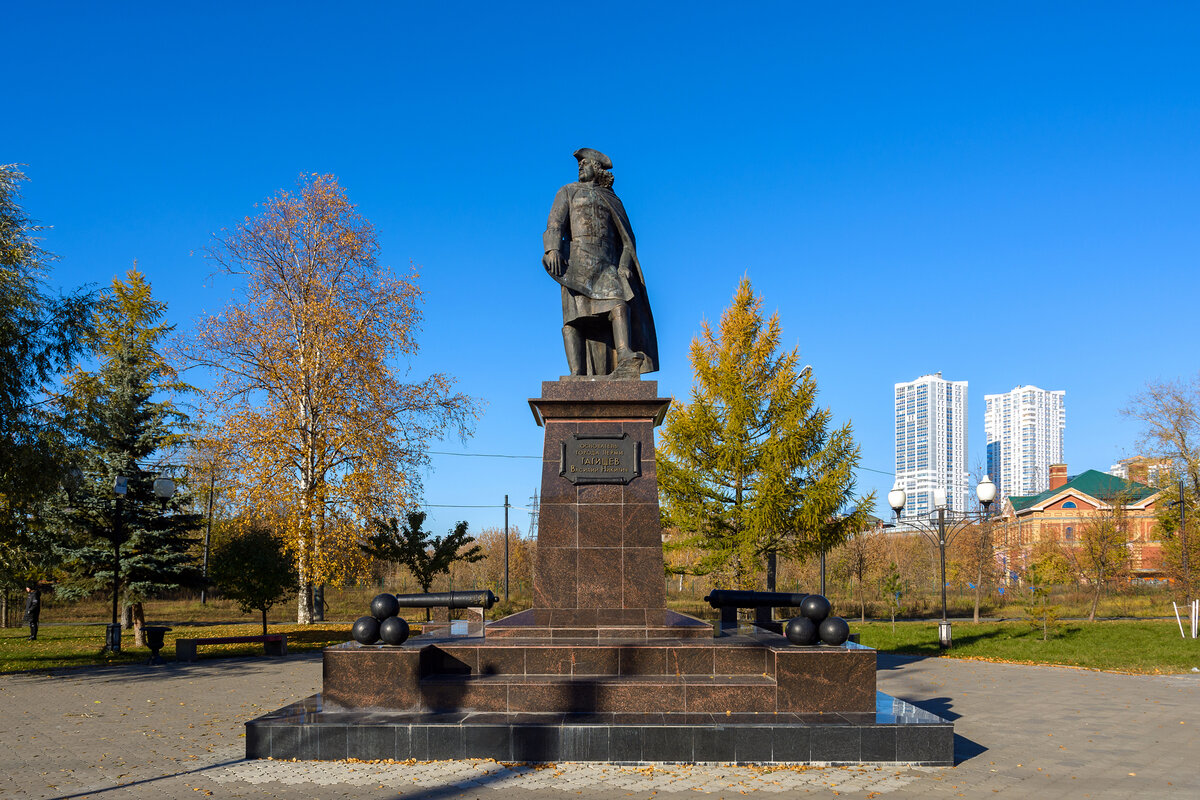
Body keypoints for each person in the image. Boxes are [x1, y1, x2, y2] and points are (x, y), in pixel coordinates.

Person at [543, 148, 658, 378]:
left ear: (597, 169)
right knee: (574, 318)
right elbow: (555, 223)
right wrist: (552, 248)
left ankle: (625, 353)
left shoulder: (612, 200)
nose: (580, 167)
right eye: (579, 164)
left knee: (619, 302)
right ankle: (577, 372)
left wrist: (624, 266)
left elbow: (628, 241)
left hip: (606, 264)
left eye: (585, 163)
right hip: (575, 263)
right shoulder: (568, 192)